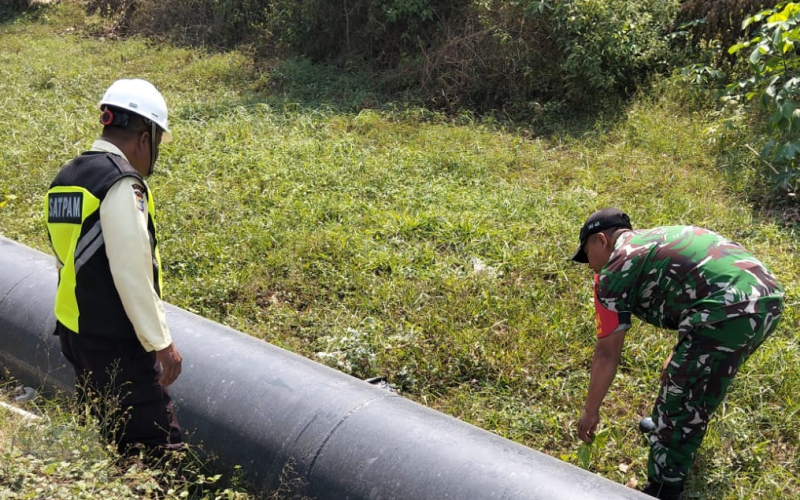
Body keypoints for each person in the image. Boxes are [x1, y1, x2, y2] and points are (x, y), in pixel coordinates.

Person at [571, 208, 784, 500]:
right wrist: (684, 348)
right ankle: (669, 433)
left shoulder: (617, 266)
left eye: (587, 254)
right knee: (694, 381)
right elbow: (695, 283)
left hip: (727, 310)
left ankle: (664, 486)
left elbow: (607, 353)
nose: (590, 267)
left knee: (682, 399)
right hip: (765, 298)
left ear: (601, 240)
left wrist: (590, 412)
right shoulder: (655, 239)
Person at [45, 78, 183, 462]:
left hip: (75, 333)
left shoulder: (67, 178)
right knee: (160, 448)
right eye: (156, 143)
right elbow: (131, 272)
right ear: (144, 138)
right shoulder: (120, 184)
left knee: (117, 437)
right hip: (115, 340)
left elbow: (64, 258)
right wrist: (162, 344)